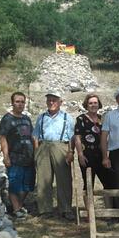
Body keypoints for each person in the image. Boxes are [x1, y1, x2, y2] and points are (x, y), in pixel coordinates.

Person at [32, 90, 75, 220]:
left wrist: (70, 152)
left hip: (61, 146)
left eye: (54, 100)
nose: (51, 102)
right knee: (43, 179)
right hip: (44, 146)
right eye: (49, 100)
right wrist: (36, 151)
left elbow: (72, 137)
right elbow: (35, 135)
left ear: (60, 102)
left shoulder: (67, 117)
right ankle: (45, 210)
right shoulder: (42, 117)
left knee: (64, 180)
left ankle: (66, 209)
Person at [0, 92, 35, 219]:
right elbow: (3, 138)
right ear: (12, 103)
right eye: (17, 102)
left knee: (28, 185)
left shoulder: (26, 119)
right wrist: (6, 156)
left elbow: (32, 136)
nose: (20, 104)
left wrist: (36, 152)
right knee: (14, 184)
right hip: (15, 158)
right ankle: (17, 209)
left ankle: (17, 205)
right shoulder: (7, 119)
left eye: (22, 102)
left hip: (29, 158)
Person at [73, 94, 111, 206]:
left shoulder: (102, 119)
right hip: (87, 155)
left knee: (108, 182)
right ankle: (89, 212)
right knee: (88, 183)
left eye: (95, 103)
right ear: (86, 105)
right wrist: (80, 154)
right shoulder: (80, 119)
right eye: (90, 103)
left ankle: (108, 210)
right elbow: (77, 138)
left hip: (101, 155)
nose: (93, 105)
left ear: (99, 104)